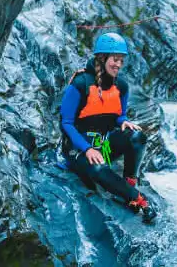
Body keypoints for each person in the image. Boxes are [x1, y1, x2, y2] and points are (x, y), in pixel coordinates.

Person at [60, 32, 156, 223]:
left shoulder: (121, 86)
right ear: (102, 58)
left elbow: (118, 115)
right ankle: (137, 198)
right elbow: (66, 123)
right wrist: (86, 149)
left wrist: (123, 122)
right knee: (97, 168)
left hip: (102, 145)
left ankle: (129, 181)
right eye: (115, 60)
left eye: (121, 61)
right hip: (76, 149)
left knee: (137, 136)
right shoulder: (80, 84)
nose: (118, 65)